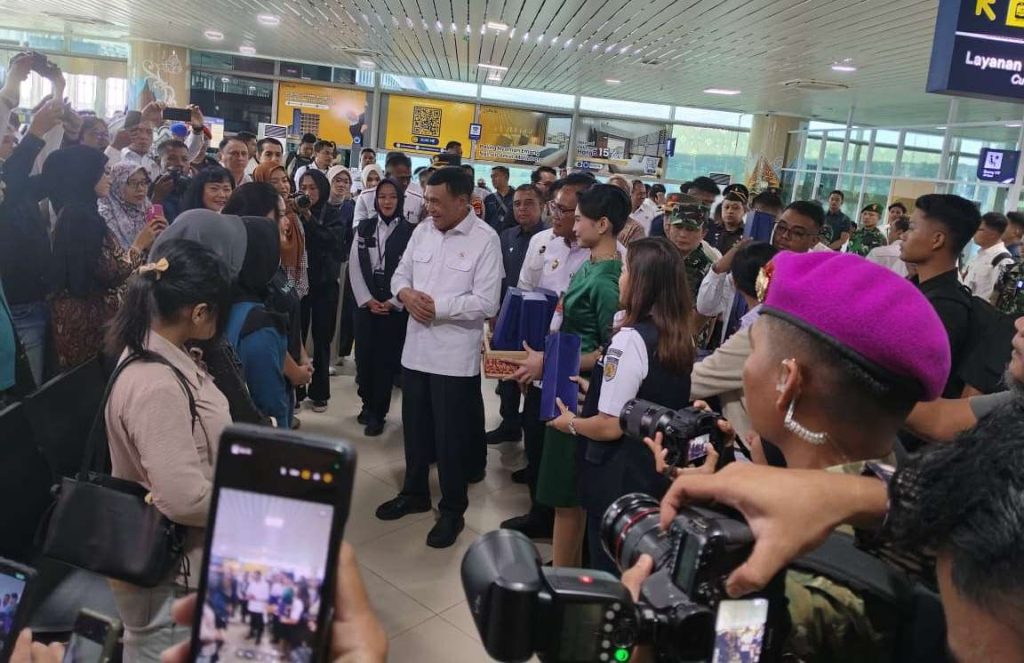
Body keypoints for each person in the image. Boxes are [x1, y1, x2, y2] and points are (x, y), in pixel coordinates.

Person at [103, 239, 233, 660]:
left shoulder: (157, 352)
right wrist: (251, 501)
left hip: (177, 563)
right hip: (169, 575)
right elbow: (182, 498)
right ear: (199, 312)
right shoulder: (156, 384)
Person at [548, 237, 697, 573]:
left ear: (643, 282)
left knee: (611, 566)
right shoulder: (678, 335)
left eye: (627, 270)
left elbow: (609, 426)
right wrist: (599, 389)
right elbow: (648, 394)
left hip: (617, 476)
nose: (620, 277)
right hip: (654, 469)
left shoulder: (630, 339)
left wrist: (570, 422)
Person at [375, 167, 501, 549]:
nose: (429, 207)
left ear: (463, 202)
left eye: (437, 201)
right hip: (415, 351)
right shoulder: (423, 231)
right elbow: (399, 276)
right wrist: (405, 295)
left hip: (453, 359)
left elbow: (487, 302)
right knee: (415, 430)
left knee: (450, 439)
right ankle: (414, 493)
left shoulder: (485, 239)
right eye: (428, 199)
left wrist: (437, 307)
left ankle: (452, 509)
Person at [512, 184, 630, 567]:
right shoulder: (590, 265)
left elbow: (611, 352)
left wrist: (549, 362)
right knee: (565, 496)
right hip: (561, 383)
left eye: (579, 219)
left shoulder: (608, 279)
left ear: (603, 224)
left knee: (568, 495)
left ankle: (566, 576)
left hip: (579, 395)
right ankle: (567, 567)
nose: (572, 226)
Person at [500, 174, 600, 538]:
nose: (554, 215)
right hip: (538, 358)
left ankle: (567, 525)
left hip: (576, 367)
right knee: (536, 437)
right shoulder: (544, 243)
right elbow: (525, 293)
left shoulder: (607, 258)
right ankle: (539, 513)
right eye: (554, 207)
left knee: (566, 450)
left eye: (565, 210)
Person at [46, 146, 161, 369]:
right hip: (88, 317)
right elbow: (110, 272)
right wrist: (139, 246)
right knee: (92, 380)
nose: (109, 178)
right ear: (86, 174)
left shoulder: (73, 211)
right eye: (104, 172)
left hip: (75, 312)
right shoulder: (85, 219)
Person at [696, 200, 824, 349]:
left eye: (797, 233)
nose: (784, 236)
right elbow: (707, 308)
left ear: (814, 240)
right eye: (781, 227)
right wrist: (719, 269)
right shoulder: (755, 262)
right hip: (733, 351)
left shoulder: (816, 279)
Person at [0, 99, 64, 387]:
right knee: (22, 391)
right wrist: (35, 133)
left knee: (35, 386)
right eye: (6, 139)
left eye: (15, 140)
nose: (12, 145)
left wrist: (67, 132)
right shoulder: (8, 187)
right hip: (18, 305)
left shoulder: (19, 186)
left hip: (37, 299)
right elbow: (12, 177)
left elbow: (54, 175)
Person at [689, 242, 777, 440]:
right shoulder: (787, 319)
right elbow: (706, 306)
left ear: (734, 282)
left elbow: (694, 382)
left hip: (751, 440)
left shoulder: (757, 332)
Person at [348, 178, 415, 436]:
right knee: (364, 358)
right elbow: (354, 266)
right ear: (375, 200)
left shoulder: (411, 231)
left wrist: (395, 301)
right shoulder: (365, 227)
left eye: (392, 197)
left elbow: (414, 270)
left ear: (400, 200)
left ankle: (378, 413)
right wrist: (366, 300)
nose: (387, 201)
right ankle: (366, 403)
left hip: (393, 303)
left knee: (385, 361)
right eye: (382, 196)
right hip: (366, 303)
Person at [900, 194, 981, 398]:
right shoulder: (918, 289)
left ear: (937, 240)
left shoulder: (944, 308)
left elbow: (913, 384)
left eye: (911, 228)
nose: (903, 236)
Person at [487, 184, 548, 445]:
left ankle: (532, 429)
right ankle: (509, 423)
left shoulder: (550, 238)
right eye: (517, 204)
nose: (522, 208)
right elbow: (497, 277)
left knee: (534, 377)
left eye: (529, 203)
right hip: (508, 315)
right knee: (507, 373)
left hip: (539, 319)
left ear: (542, 206)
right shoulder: (506, 236)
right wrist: (494, 310)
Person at [297, 170, 347, 412]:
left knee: (322, 340)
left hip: (325, 284)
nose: (308, 193)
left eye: (313, 188)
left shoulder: (333, 214)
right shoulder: (293, 212)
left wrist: (309, 217)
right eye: (304, 187)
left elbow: (331, 240)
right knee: (296, 337)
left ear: (323, 189)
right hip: (297, 284)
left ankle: (319, 393)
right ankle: (296, 391)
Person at [327, 165, 357, 369]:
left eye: (346, 181)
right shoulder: (320, 204)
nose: (341, 185)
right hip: (320, 265)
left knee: (338, 311)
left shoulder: (350, 207)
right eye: (337, 180)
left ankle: (335, 353)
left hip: (342, 265)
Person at [663, 197, 714, 305]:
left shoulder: (708, 269)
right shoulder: (654, 258)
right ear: (669, 228)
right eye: (678, 227)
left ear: (703, 233)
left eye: (690, 229)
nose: (683, 234)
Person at [100, 163, 161, 250]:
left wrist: (164, 234)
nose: (140, 188)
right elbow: (118, 256)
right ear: (117, 184)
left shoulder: (146, 205)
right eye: (133, 183)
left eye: (144, 182)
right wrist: (141, 245)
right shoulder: (105, 214)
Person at [355, 152, 423, 225]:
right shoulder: (366, 198)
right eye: (401, 178)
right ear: (387, 176)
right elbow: (358, 229)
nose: (405, 183)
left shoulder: (418, 201)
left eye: (408, 178)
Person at [963, 211, 1013, 301]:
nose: (975, 233)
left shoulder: (1002, 259)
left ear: (993, 234)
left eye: (980, 229)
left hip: (979, 308)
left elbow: (997, 296)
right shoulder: (979, 255)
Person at [607, 175, 646, 245]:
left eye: (621, 193)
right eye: (612, 192)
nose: (615, 197)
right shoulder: (594, 219)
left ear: (628, 197)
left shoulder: (635, 229)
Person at [484, 165, 516, 232]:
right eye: (491, 177)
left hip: (511, 235)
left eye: (495, 176)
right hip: (492, 235)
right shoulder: (489, 199)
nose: (493, 179)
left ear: (506, 177)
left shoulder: (516, 197)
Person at [245, 571, 271, 646]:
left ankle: (258, 637)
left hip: (260, 608)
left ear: (260, 576)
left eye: (256, 575)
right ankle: (251, 633)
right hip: (252, 607)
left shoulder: (265, 585)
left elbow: (266, 597)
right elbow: (248, 592)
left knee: (260, 624)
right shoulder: (252, 583)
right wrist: (249, 596)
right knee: (252, 622)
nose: (255, 577)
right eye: (254, 576)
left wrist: (256, 598)